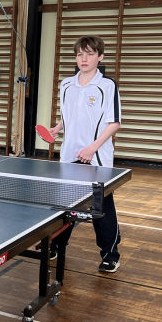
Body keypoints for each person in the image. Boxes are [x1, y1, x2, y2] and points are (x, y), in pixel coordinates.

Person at [48, 35, 122, 273]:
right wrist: (57, 128)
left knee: (101, 209)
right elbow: (68, 114)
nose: (84, 58)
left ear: (100, 57)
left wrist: (92, 148)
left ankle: (110, 254)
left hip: (96, 158)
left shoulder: (107, 85)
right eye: (80, 54)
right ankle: (57, 245)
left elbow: (114, 123)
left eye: (90, 54)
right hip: (69, 154)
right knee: (67, 206)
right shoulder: (66, 84)